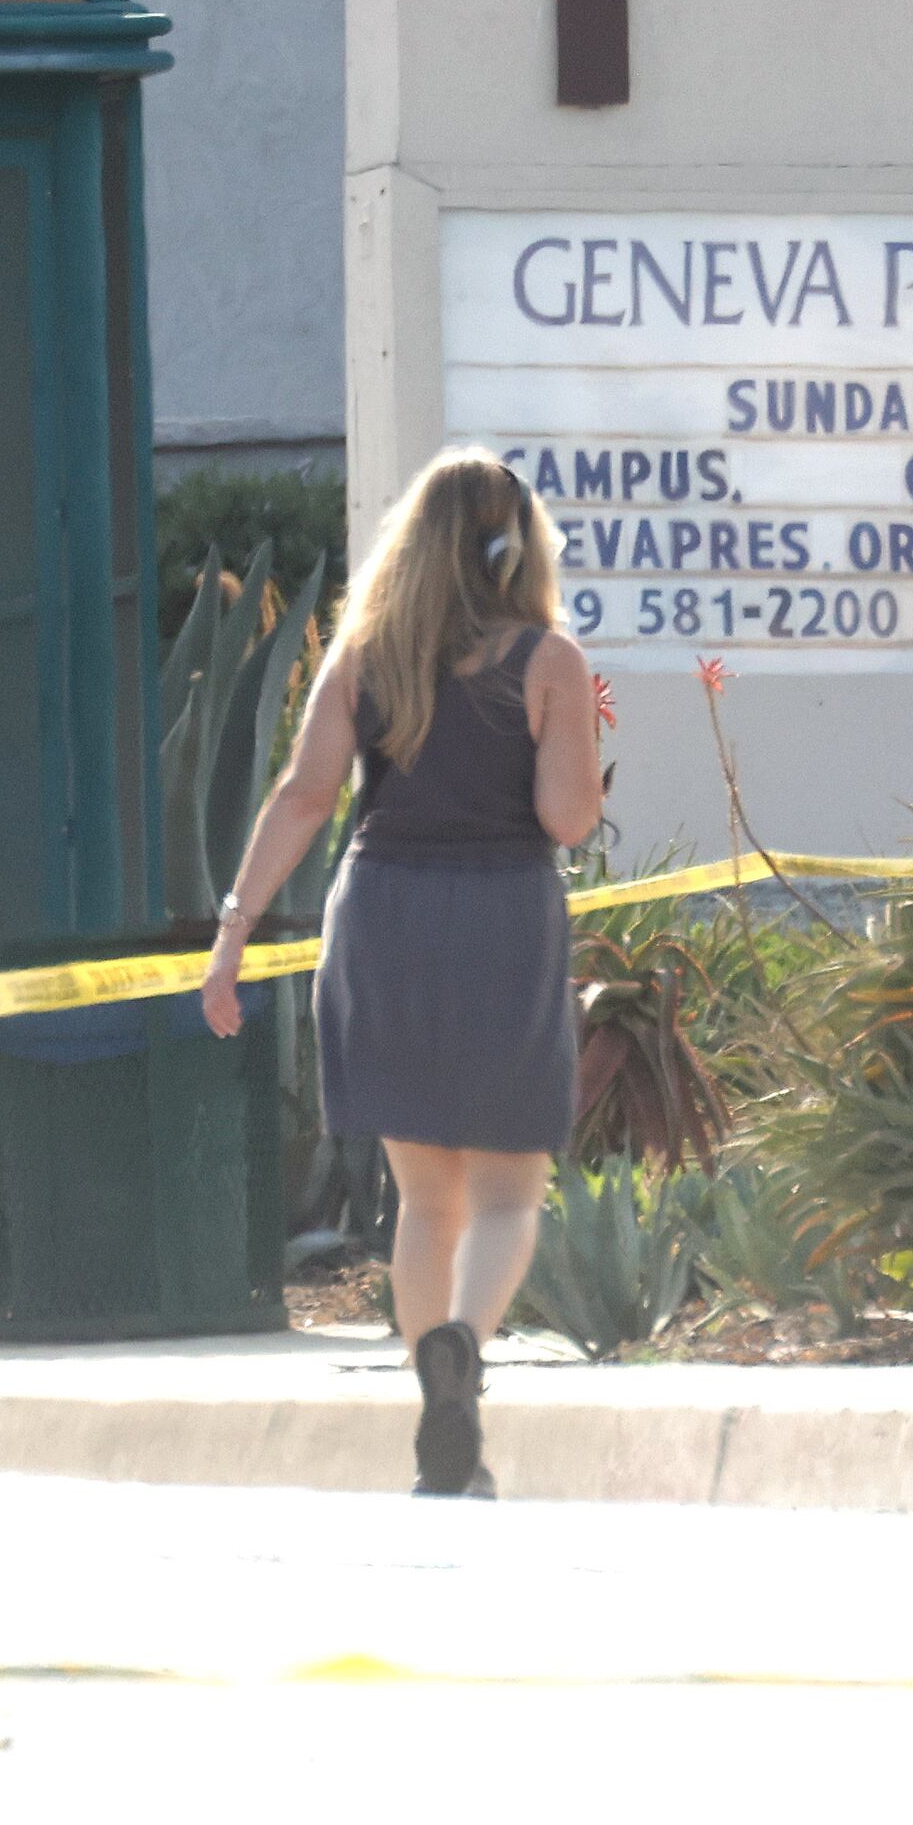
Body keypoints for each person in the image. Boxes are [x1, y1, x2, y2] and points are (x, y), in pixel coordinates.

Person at [199, 450, 597, 1498]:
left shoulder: (364, 656)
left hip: (381, 917)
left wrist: (233, 931)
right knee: (509, 1186)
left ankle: (438, 1403)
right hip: (502, 913)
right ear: (520, 545)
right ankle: (464, 1344)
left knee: (426, 1196)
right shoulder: (546, 659)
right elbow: (564, 819)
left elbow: (300, 797)